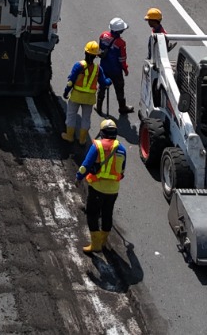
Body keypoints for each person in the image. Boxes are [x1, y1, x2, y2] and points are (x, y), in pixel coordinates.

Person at [77, 118, 126, 254]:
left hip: (98, 188)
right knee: (107, 214)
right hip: (114, 190)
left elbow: (85, 166)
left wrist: (78, 177)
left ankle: (96, 244)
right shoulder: (121, 149)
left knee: (92, 214)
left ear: (102, 133)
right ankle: (104, 241)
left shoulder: (97, 146)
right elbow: (121, 172)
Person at [62, 41, 109, 144]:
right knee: (86, 118)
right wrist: (108, 81)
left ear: (85, 52)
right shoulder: (98, 69)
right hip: (89, 98)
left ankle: (69, 136)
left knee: (71, 115)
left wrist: (66, 92)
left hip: (76, 96)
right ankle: (82, 140)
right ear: (96, 56)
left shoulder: (78, 66)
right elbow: (103, 82)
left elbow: (71, 81)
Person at [97, 18, 131, 114]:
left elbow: (100, 49)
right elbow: (122, 59)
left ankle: (98, 107)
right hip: (116, 70)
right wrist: (125, 69)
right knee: (119, 88)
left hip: (103, 67)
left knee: (102, 87)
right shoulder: (121, 43)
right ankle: (122, 107)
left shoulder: (103, 36)